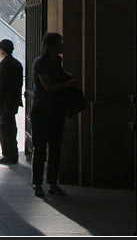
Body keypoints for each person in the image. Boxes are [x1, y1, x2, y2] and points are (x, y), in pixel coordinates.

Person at [30, 31, 79, 198]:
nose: (63, 46)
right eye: (60, 43)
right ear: (52, 45)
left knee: (55, 148)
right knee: (41, 149)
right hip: (42, 110)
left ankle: (51, 183)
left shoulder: (56, 61)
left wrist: (67, 78)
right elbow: (48, 86)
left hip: (54, 109)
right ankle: (38, 183)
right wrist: (70, 83)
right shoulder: (41, 63)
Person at [0, 38, 23, 165]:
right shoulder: (17, 63)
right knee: (11, 128)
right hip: (13, 102)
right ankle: (13, 154)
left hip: (4, 104)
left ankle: (8, 155)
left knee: (3, 130)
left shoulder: (4, 64)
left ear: (2, 51)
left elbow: (2, 85)